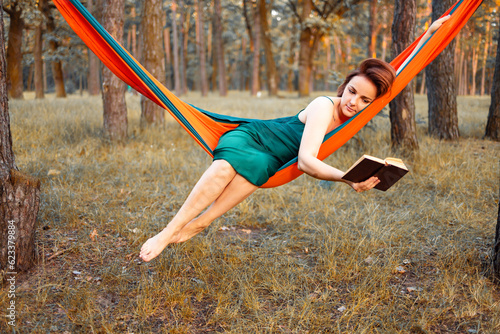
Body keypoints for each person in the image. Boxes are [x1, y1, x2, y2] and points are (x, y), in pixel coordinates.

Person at [139, 15, 451, 262]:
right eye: (352, 92)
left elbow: (398, 75)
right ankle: (168, 232)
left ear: (373, 103)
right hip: (254, 137)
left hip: (272, 159)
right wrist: (347, 178)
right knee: (225, 169)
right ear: (346, 86)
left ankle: (202, 221)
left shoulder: (362, 107)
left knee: (259, 170)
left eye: (364, 100)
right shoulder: (324, 106)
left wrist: (429, 35)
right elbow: (305, 162)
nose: (353, 103)